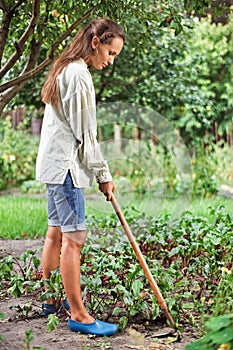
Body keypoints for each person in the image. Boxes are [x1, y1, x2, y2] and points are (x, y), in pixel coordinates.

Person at [36, 18, 125, 336]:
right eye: (111, 53)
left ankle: (50, 302)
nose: (110, 61)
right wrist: (104, 175)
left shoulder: (65, 67)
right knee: (74, 241)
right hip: (67, 170)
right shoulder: (79, 75)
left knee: (55, 233)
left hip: (54, 167)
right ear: (97, 42)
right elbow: (86, 135)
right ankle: (79, 315)